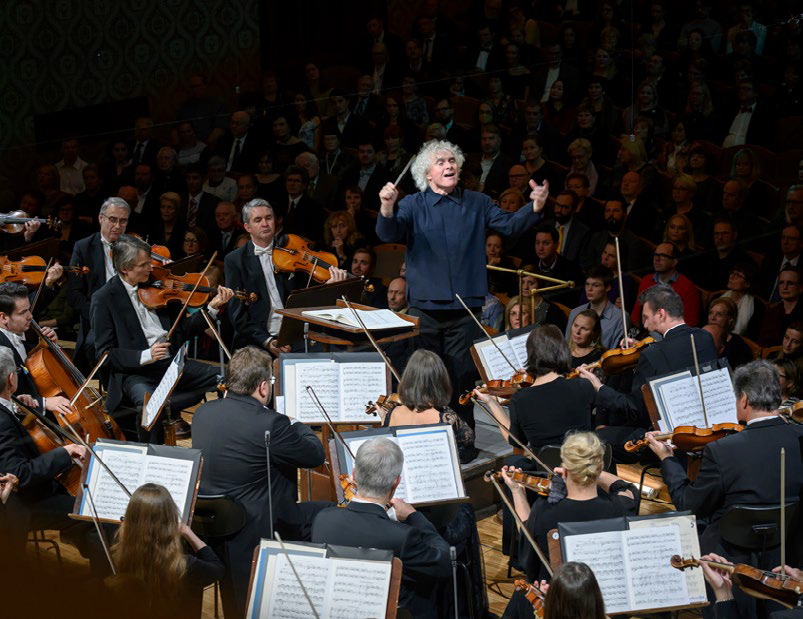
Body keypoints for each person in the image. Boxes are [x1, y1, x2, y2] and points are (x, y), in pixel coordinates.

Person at [377, 140, 549, 427]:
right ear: (427, 174)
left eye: (452, 161)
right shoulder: (412, 204)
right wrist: (386, 207)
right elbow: (388, 233)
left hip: (464, 310)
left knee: (461, 380)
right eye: (441, 162)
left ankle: (463, 438)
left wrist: (536, 205)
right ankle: (427, 433)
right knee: (424, 379)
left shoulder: (478, 202)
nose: (449, 166)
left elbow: (509, 225)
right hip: (424, 309)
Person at [648, 360, 803, 618]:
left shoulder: (722, 450)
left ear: (744, 400)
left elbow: (690, 504)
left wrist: (667, 460)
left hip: (730, 559)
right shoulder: (799, 437)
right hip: (784, 553)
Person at [192, 346, 326, 619]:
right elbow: (315, 455)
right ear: (263, 387)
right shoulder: (273, 424)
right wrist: (296, 423)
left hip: (211, 524)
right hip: (257, 526)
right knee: (327, 515)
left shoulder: (202, 413)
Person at [90, 234, 233, 443]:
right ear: (125, 268)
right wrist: (146, 355)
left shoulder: (159, 286)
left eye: (150, 262)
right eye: (144, 265)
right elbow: (105, 354)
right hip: (136, 373)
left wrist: (212, 308)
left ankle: (226, 440)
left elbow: (183, 330)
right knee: (151, 405)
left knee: (231, 376)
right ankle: (151, 454)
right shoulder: (104, 298)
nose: (151, 268)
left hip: (171, 366)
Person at [312, 438, 451, 619]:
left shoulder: (323, 519)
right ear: (396, 482)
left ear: (354, 475)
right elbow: (443, 563)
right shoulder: (403, 536)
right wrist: (414, 516)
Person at [0, 348, 107, 573]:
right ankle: (107, 581)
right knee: (93, 515)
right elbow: (20, 474)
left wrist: (17, 406)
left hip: (23, 497)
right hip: (22, 505)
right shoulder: (2, 420)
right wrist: (65, 453)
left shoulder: (6, 409)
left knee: (84, 513)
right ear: (11, 379)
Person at [500, 432, 637, 582]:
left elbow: (528, 543)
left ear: (565, 471)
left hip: (559, 589)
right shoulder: (621, 506)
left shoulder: (544, 510)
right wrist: (592, 470)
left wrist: (517, 491)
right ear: (600, 468)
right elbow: (625, 487)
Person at [579, 285, 718, 430]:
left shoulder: (653, 354)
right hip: (710, 426)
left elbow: (634, 410)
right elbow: (678, 354)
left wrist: (598, 387)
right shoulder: (705, 337)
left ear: (661, 314)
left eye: (646, 317)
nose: (645, 325)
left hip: (668, 433)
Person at [224, 198, 347, 354]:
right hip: (257, 339)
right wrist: (267, 341)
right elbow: (237, 314)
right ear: (247, 227)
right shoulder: (235, 260)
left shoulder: (292, 250)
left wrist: (329, 286)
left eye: (269, 218)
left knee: (333, 353)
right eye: (258, 220)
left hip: (295, 334)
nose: (265, 223)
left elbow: (307, 295)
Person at [108, 483, 224, 618]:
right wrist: (188, 532)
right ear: (170, 519)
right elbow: (218, 569)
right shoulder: (183, 566)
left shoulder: (115, 555)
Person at [479, 326, 597, 452]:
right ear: (563, 350)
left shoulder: (520, 399)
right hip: (584, 460)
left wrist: (492, 403)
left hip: (548, 464)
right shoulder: (583, 386)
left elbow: (516, 441)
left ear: (531, 355)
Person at [382, 349, 475, 463]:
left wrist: (383, 420)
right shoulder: (445, 417)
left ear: (407, 378)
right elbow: (466, 452)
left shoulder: (393, 413)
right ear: (441, 381)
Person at [0, 283, 72, 417]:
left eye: (28, 309)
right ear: (3, 317)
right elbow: (4, 403)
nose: (30, 316)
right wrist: (43, 404)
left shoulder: (25, 334)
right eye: (23, 312)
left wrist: (49, 348)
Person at [630, 242, 701, 328]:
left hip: (673, 334)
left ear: (674, 262)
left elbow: (691, 323)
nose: (657, 259)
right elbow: (635, 317)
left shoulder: (688, 287)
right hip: (646, 331)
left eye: (663, 256)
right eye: (655, 255)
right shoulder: (646, 280)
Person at [566, 266, 623, 350]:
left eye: (596, 285)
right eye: (587, 284)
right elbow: (567, 346)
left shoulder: (620, 317)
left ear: (607, 287)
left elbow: (616, 352)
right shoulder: (575, 312)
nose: (589, 289)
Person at [706, 297, 754, 369]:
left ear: (730, 320)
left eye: (719, 314)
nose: (713, 318)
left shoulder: (739, 346)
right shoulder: (699, 337)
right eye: (710, 313)